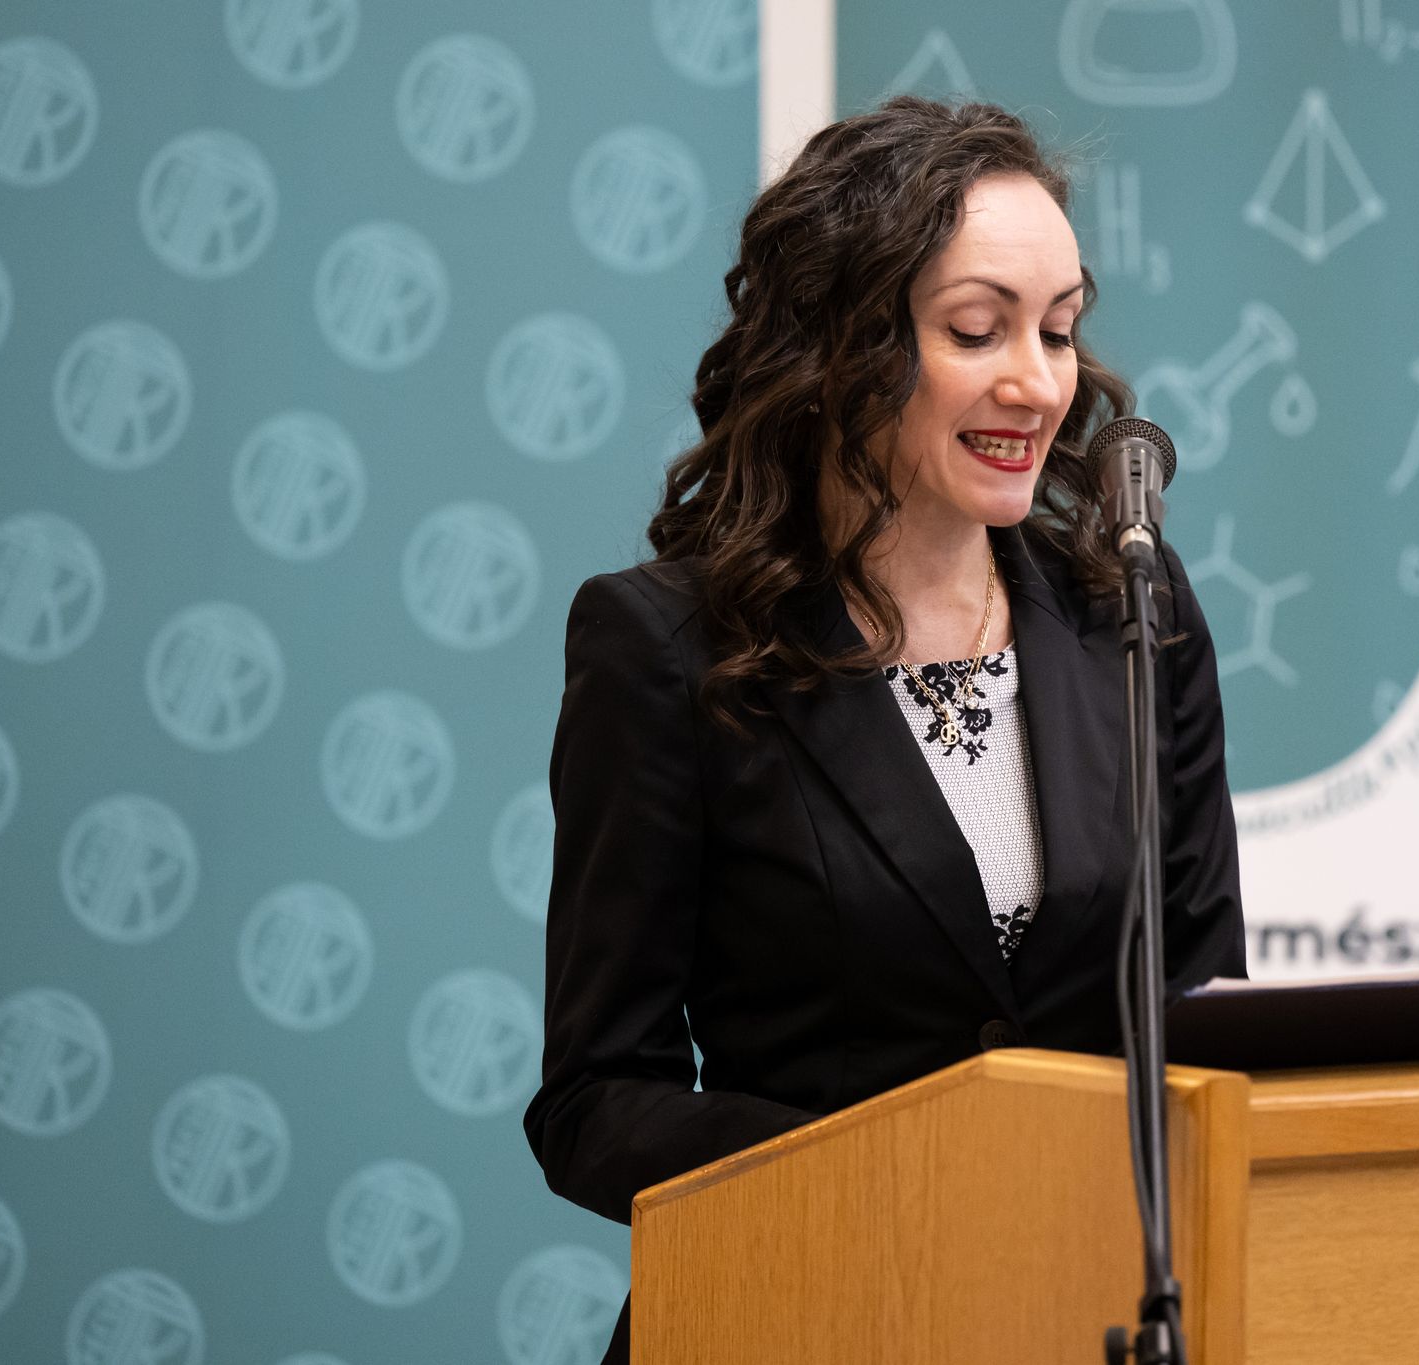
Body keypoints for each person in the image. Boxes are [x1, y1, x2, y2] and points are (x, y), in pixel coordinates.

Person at [522, 96, 1246, 1365]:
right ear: (842, 343)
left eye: (1058, 328)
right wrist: (896, 1174)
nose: (1037, 383)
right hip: (795, 1309)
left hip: (1072, 1316)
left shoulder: (1129, 608)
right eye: (975, 329)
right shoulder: (666, 647)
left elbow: (1203, 1010)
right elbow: (595, 1102)